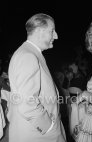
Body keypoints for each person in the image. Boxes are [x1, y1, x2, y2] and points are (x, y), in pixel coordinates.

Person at [7, 13, 66, 142]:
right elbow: (27, 102)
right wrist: (48, 126)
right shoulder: (28, 56)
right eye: (52, 31)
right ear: (39, 30)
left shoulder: (28, 52)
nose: (56, 36)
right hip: (37, 135)